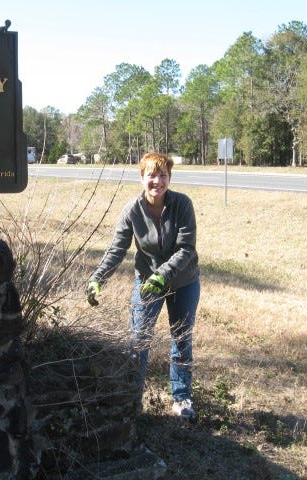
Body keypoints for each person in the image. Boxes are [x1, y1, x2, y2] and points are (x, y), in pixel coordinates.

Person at [87, 152, 200, 421]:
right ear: (142, 177)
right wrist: (98, 278)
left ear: (169, 178)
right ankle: (132, 397)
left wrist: (162, 275)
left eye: (163, 175)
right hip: (147, 283)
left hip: (183, 281)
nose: (157, 181)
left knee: (181, 338)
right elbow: (116, 249)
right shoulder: (132, 210)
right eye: (151, 174)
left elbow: (186, 249)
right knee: (138, 340)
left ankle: (181, 398)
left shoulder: (182, 204)